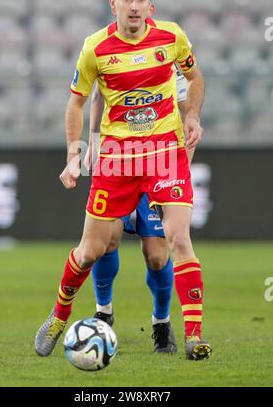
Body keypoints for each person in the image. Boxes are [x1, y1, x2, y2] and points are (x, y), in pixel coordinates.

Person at [35, 0, 212, 361]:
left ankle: (193, 336)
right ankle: (60, 315)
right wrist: (74, 155)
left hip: (165, 152)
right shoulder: (95, 48)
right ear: (112, 3)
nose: (134, 6)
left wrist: (193, 117)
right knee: (90, 250)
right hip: (117, 159)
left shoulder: (172, 37)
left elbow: (195, 77)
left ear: (152, 3)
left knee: (176, 241)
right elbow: (77, 101)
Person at [88, 65, 191, 355]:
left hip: (157, 167)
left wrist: (178, 172)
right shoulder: (114, 53)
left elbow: (187, 119)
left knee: (157, 256)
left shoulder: (171, 64)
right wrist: (93, 140)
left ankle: (161, 322)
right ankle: (104, 312)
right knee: (105, 240)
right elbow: (98, 94)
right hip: (119, 162)